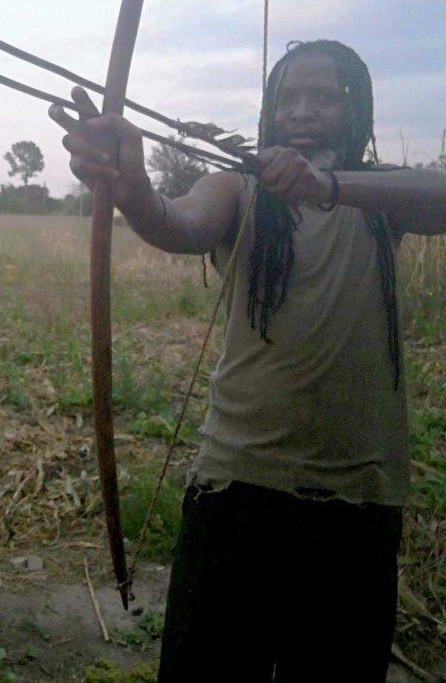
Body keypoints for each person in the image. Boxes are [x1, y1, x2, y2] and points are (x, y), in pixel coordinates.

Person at [49, 40, 446, 682]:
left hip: (359, 504)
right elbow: (178, 224)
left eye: (324, 96)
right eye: (287, 98)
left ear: (357, 109)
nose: (302, 112)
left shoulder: (379, 199)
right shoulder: (237, 186)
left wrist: (329, 185)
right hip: (236, 493)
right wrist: (133, 191)